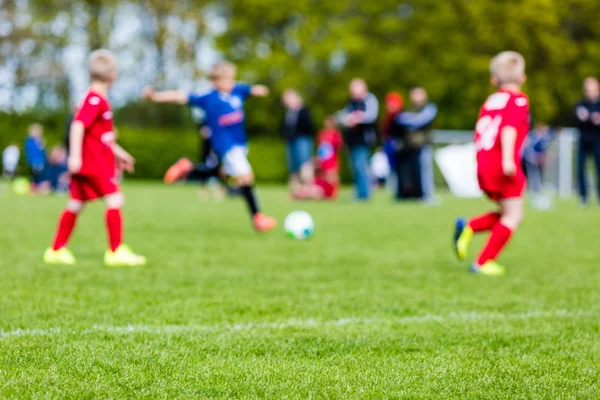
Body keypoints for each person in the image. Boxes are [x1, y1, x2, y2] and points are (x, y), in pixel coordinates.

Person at [143, 61, 277, 231]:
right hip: (227, 146)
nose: (231, 82)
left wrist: (259, 90)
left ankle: (189, 168)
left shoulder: (238, 91)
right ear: (215, 81)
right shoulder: (208, 98)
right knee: (247, 177)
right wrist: (156, 96)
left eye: (232, 79)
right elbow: (180, 96)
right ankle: (258, 218)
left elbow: (253, 89)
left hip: (240, 144)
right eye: (226, 79)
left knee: (219, 173)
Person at [44, 49, 146, 267]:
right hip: (93, 164)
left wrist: (120, 154)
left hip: (90, 162)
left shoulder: (98, 98)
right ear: (113, 76)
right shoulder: (94, 99)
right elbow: (78, 125)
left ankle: (56, 250)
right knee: (115, 200)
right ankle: (116, 251)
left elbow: (102, 137)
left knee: (75, 204)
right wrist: (75, 157)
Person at [454, 51, 530, 276]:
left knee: (507, 212)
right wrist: (508, 159)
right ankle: (483, 261)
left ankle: (470, 226)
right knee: (514, 215)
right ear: (523, 78)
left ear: (493, 80)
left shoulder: (491, 100)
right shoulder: (518, 99)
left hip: (484, 162)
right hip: (502, 162)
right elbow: (508, 128)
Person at [338, 78, 379, 200]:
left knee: (361, 166)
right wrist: (346, 119)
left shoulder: (369, 100)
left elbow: (371, 116)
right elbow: (342, 116)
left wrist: (357, 118)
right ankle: (358, 192)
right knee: (354, 167)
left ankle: (364, 194)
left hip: (363, 140)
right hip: (352, 140)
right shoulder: (351, 103)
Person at [396, 86, 438, 202]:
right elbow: (399, 119)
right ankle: (417, 194)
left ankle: (428, 195)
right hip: (410, 146)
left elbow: (419, 121)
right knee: (413, 172)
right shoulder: (410, 109)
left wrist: (410, 120)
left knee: (425, 171)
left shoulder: (430, 108)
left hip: (423, 145)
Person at [293, 116, 343, 200]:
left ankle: (333, 194)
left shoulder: (336, 134)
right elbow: (320, 147)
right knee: (322, 176)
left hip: (332, 159)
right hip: (323, 159)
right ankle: (318, 193)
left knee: (332, 176)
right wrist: (318, 158)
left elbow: (339, 147)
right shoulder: (322, 133)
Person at [281, 89, 315, 190]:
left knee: (304, 163)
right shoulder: (289, 112)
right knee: (293, 165)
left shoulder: (304, 111)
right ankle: (295, 189)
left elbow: (309, 126)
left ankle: (308, 187)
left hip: (302, 139)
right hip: (291, 140)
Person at [574, 77, 600, 205]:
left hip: (597, 141)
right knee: (580, 168)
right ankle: (583, 197)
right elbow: (578, 118)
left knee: (598, 168)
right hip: (583, 141)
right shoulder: (580, 104)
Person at [522, 123, 554, 209]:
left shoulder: (543, 139)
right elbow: (527, 150)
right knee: (531, 177)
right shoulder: (533, 138)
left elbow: (544, 152)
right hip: (529, 161)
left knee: (537, 177)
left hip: (537, 162)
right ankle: (533, 193)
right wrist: (534, 158)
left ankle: (536, 192)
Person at [24, 123, 50, 193]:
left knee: (40, 175)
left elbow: (43, 152)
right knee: (35, 176)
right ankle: (32, 189)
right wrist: (33, 161)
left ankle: (40, 188)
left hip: (42, 161)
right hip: (35, 161)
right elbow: (30, 153)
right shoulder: (29, 141)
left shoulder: (40, 141)